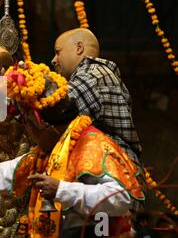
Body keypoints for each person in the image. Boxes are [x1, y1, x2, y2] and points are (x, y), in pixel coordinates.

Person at [0, 60, 145, 238]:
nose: (27, 132)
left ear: (48, 127)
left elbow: (120, 198)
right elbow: (8, 172)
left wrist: (61, 189)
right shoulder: (52, 151)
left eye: (28, 124)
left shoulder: (90, 146)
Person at [51, 28, 142, 169]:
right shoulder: (97, 74)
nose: (54, 60)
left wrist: (24, 83)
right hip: (113, 167)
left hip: (116, 171)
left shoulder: (93, 74)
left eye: (58, 52)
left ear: (79, 48)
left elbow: (57, 109)